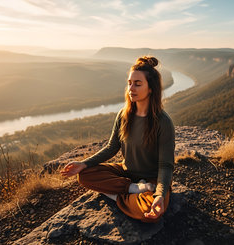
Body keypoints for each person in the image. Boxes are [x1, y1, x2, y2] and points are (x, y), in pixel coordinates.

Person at [60, 56, 175, 223]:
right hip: (126, 172)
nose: (131, 88)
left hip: (152, 179)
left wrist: (159, 195)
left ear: (151, 88)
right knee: (84, 175)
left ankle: (124, 194)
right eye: (129, 83)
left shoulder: (163, 122)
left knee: (150, 214)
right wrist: (84, 163)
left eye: (137, 83)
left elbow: (166, 166)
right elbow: (111, 147)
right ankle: (132, 189)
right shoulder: (123, 115)